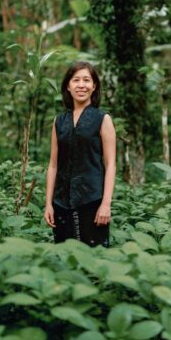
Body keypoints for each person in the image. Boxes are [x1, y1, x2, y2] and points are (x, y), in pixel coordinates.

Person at [43, 61, 116, 247]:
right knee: (65, 259)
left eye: (86, 80)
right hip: (61, 202)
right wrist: (48, 204)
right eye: (76, 80)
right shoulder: (59, 121)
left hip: (91, 200)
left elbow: (110, 164)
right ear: (68, 86)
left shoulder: (103, 119)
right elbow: (53, 165)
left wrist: (106, 204)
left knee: (94, 262)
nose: (81, 85)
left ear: (94, 86)